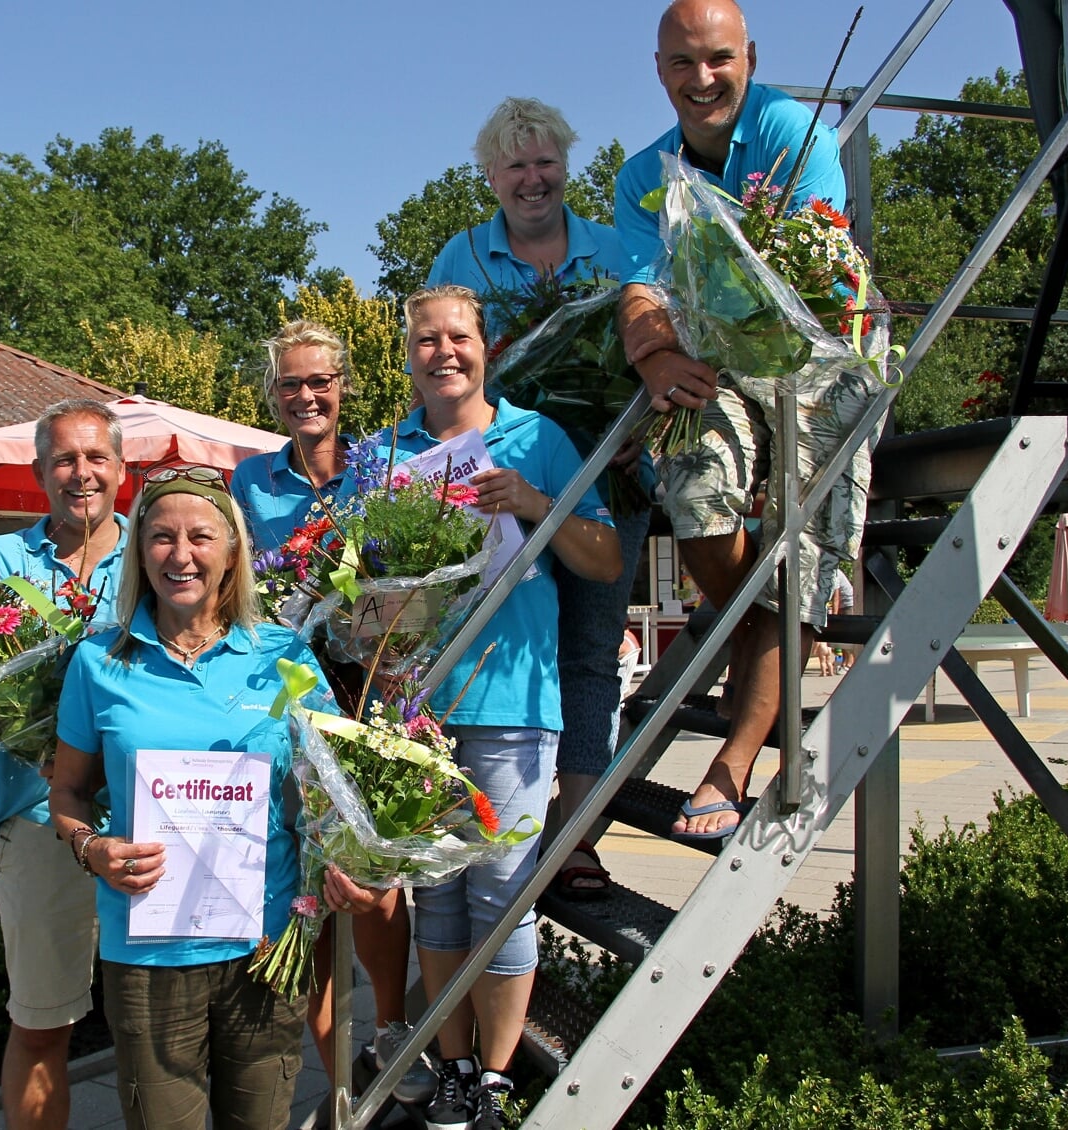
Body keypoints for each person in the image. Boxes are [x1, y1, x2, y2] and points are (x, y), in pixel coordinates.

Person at [48, 465, 379, 1130]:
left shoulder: (282, 655)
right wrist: (91, 847)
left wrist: (343, 862)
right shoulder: (99, 664)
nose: (181, 554)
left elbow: (328, 792)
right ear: (140, 551)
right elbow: (68, 791)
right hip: (149, 953)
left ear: (232, 553)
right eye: (162, 537)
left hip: (264, 944)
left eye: (201, 536)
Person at [613, 0, 874, 840]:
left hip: (816, 356)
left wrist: (690, 323)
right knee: (693, 491)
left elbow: (802, 291)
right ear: (659, 71)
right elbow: (642, 288)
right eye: (683, 63)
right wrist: (652, 353)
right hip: (715, 359)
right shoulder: (641, 174)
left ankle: (735, 757)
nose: (702, 79)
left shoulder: (795, 136)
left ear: (750, 57)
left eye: (718, 59)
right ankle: (759, 630)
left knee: (795, 551)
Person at [393, 285, 620, 1130]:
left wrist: (534, 502)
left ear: (487, 347)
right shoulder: (392, 455)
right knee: (437, 894)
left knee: (500, 896)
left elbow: (601, 560)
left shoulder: (540, 439)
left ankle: (492, 1077)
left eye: (458, 336)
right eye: (426, 339)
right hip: (420, 708)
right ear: (409, 353)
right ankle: (452, 1065)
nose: (442, 351)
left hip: (514, 706)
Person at [426, 96, 655, 901]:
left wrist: (643, 418)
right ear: (491, 175)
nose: (533, 179)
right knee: (503, 651)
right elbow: (449, 369)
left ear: (567, 166)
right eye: (516, 165)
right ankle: (487, 825)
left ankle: (575, 836)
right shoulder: (464, 256)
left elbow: (657, 346)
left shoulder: (614, 249)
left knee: (592, 655)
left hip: (609, 478)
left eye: (546, 161)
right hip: (499, 492)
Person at [230, 321, 436, 1105]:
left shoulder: (381, 470)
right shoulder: (252, 482)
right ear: (273, 395)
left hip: (374, 694)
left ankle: (388, 1027)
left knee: (374, 877)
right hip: (284, 702)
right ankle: (340, 1059)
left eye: (320, 382)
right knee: (308, 888)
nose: (306, 397)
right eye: (290, 385)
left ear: (343, 386)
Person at [0, 398, 126, 1130]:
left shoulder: (157, 552)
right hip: (38, 823)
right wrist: (46, 748)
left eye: (95, 458)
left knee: (163, 1027)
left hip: (158, 818)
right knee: (42, 1022)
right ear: (39, 472)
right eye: (64, 460)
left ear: (122, 469)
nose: (80, 473)